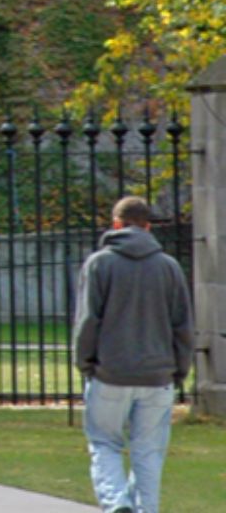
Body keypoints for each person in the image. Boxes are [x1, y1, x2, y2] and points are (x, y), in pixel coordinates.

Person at [74, 195, 194, 513]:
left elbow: (88, 321)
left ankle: (115, 503)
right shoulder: (169, 267)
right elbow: (182, 326)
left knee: (104, 442)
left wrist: (85, 363)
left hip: (110, 371)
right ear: (148, 226)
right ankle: (146, 508)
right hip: (158, 374)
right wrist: (180, 369)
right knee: (148, 451)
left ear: (116, 224)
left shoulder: (100, 264)